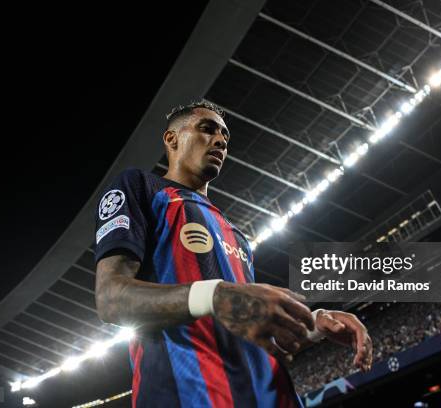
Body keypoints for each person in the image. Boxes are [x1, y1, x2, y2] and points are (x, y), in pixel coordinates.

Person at [94, 100, 372, 407]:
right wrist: (215, 295)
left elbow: (247, 329)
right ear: (171, 139)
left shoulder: (236, 235)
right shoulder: (142, 188)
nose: (220, 141)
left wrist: (313, 324)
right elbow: (110, 299)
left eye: (225, 136)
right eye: (207, 129)